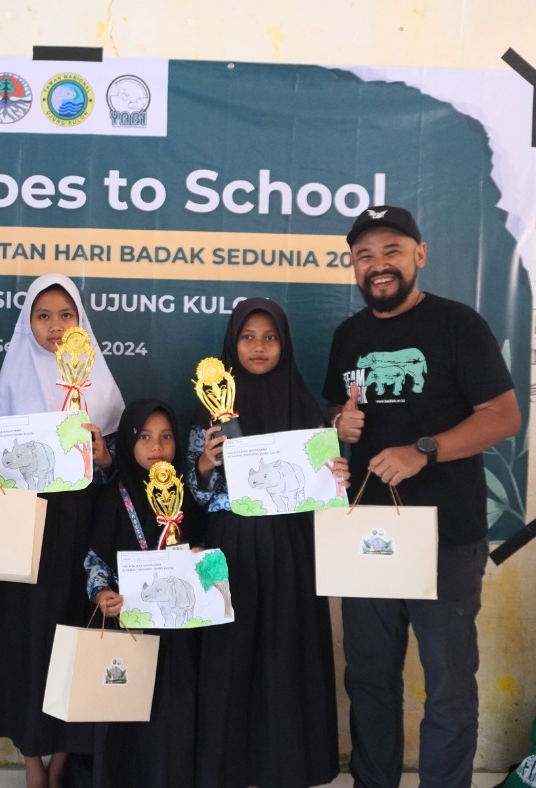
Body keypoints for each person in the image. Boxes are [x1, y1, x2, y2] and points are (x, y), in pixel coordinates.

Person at [324, 205, 521, 788]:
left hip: (446, 540)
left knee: (449, 686)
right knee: (368, 682)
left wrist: (424, 450)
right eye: (365, 256)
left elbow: (504, 416)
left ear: (419, 255)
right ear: (354, 266)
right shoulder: (349, 335)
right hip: (364, 538)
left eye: (391, 251)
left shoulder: (460, 326)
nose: (378, 265)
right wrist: (339, 421)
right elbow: (337, 407)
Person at [0, 273, 125, 788]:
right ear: (27, 323)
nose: (55, 327)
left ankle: (61, 763)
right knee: (26, 645)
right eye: (43, 316)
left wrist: (104, 456)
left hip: (82, 537)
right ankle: (32, 762)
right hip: (24, 537)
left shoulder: (98, 383)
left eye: (66, 316)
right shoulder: (12, 382)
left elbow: (120, 474)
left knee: (75, 640)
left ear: (81, 323)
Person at [187, 297, 346, 788]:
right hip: (230, 547)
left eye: (270, 337)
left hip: (290, 549)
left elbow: (324, 488)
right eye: (248, 337)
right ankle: (228, 768)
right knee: (230, 657)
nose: (259, 347)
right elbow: (193, 493)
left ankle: (289, 766)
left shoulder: (304, 405)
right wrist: (206, 465)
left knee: (286, 654)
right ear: (232, 345)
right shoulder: (210, 409)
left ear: (285, 344)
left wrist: (336, 474)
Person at [84, 398, 205, 788]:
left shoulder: (187, 493)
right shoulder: (113, 494)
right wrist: (102, 595)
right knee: (125, 720)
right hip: (128, 626)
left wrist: (203, 559)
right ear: (129, 443)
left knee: (174, 716)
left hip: (180, 632)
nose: (157, 447)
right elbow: (94, 558)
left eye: (166, 437)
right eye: (146, 437)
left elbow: (214, 554)